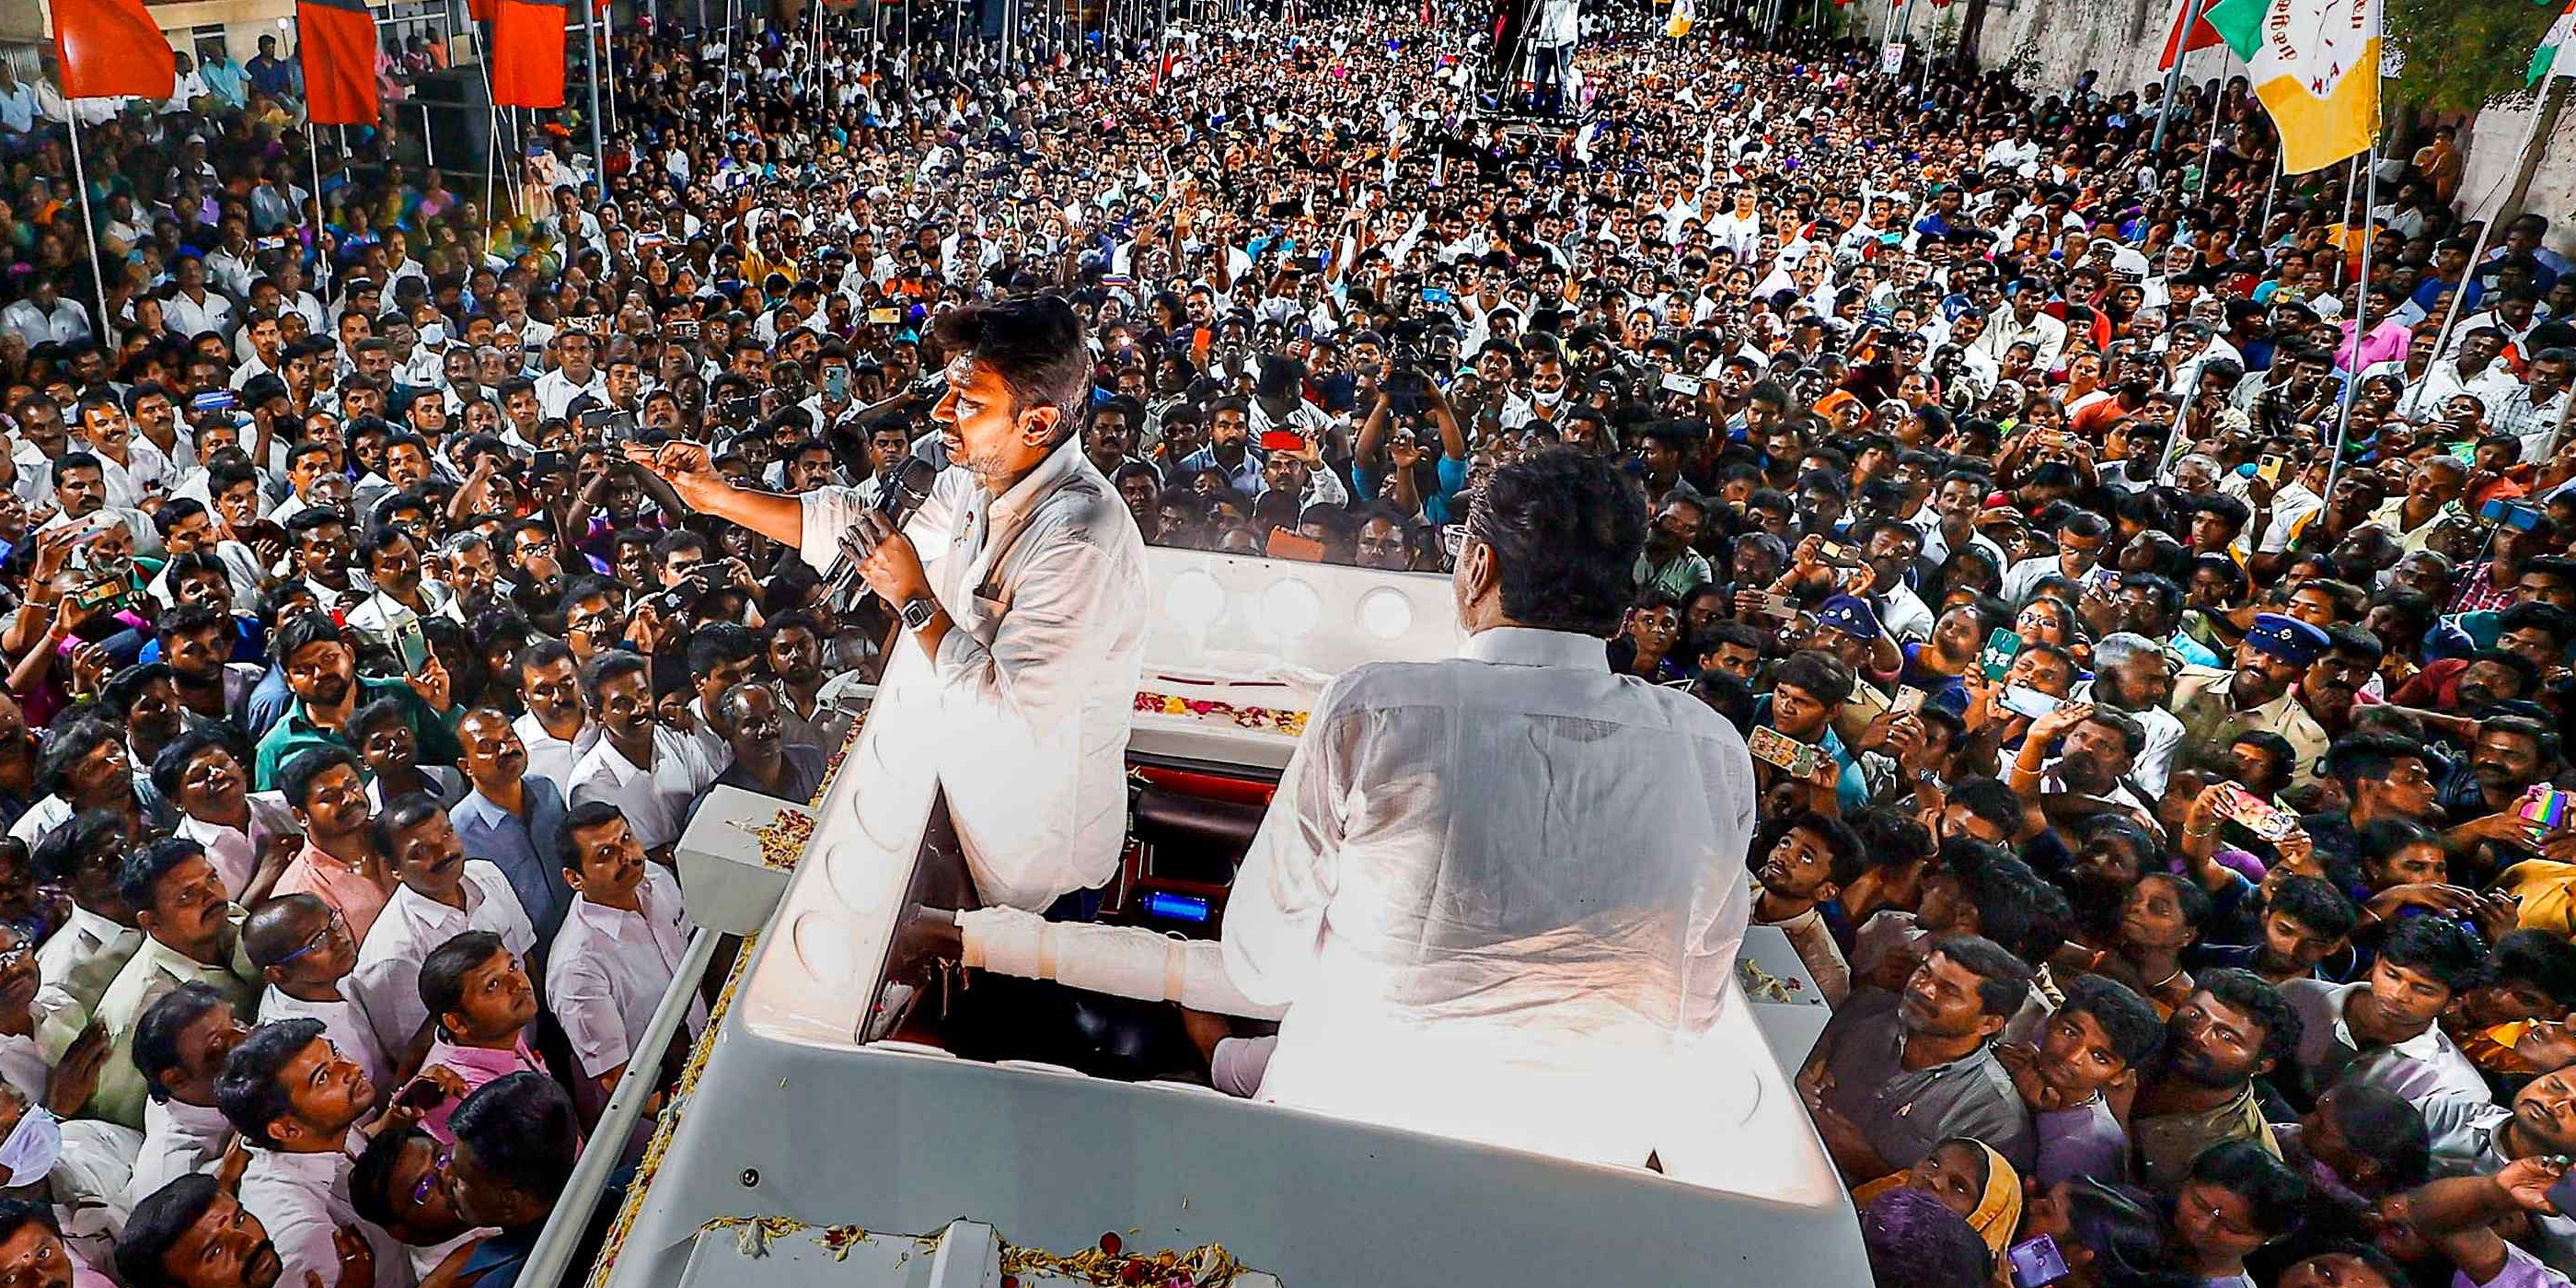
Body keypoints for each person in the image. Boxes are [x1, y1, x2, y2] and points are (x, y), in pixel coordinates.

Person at [936, 447, 1758, 1166]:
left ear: (1476, 568)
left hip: (1345, 1131)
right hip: (1585, 1154)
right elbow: (1692, 1006)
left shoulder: (1380, 709)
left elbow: (1263, 966)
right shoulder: (1714, 749)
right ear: (1623, 598)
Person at [635, 291, 1148, 911]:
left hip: (1030, 853)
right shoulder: (977, 480)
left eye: (968, 401)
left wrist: (913, 598)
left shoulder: (1076, 541)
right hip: (960, 804)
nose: (940, 411)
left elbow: (1014, 721)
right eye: (947, 388)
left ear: (1035, 423)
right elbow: (855, 517)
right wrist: (717, 498)